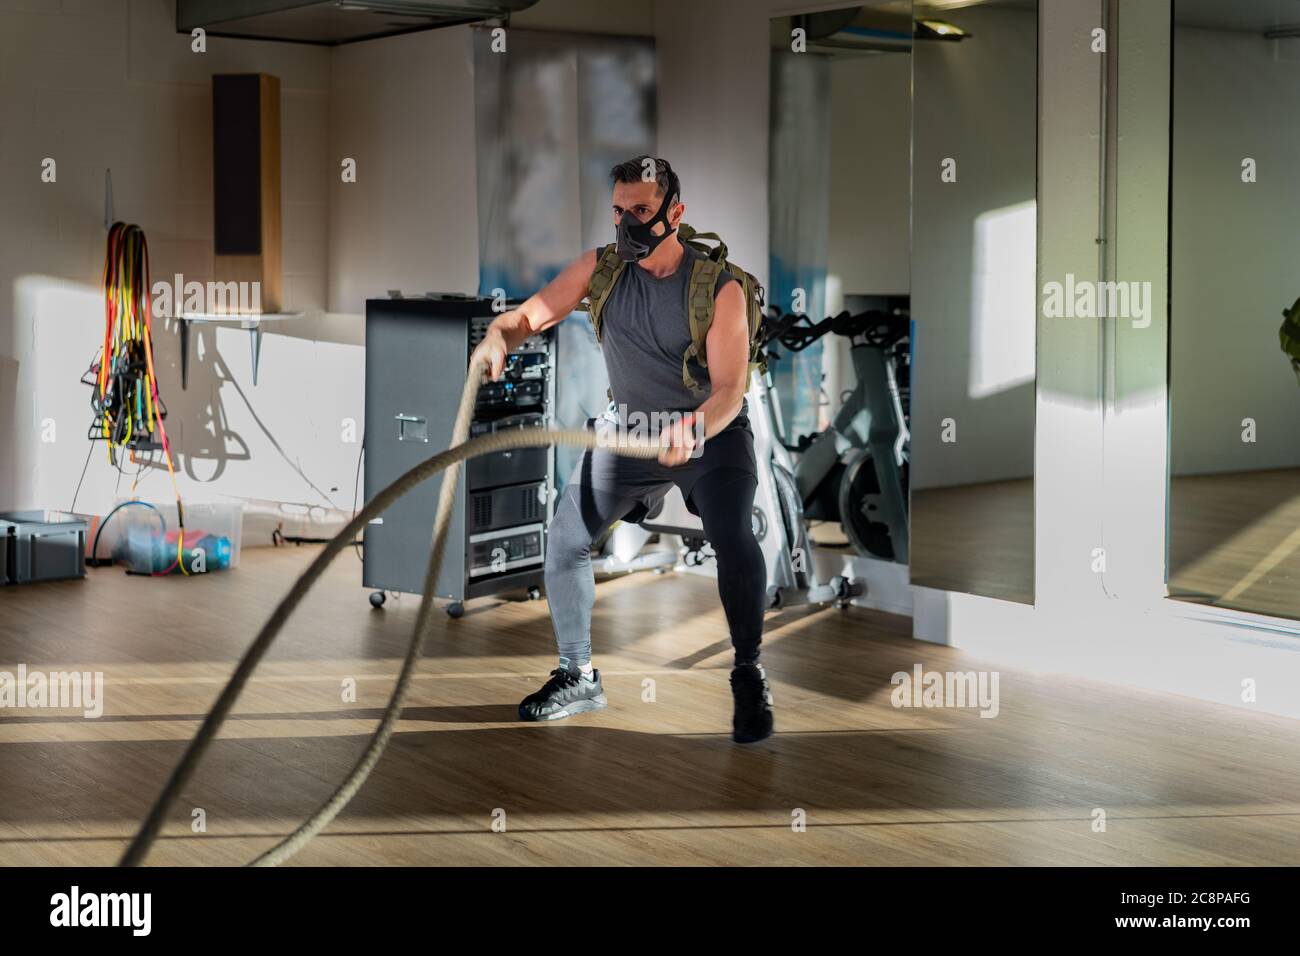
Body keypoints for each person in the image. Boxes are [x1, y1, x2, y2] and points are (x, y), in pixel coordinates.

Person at [470, 156, 773, 744]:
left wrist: (693, 429)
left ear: (674, 213)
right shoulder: (601, 269)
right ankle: (578, 674)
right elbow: (528, 316)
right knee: (566, 536)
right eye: (618, 211)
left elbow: (731, 390)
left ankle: (748, 670)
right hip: (628, 430)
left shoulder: (720, 288)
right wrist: (496, 336)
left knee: (732, 533)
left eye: (640, 211)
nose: (626, 223)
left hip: (707, 433)